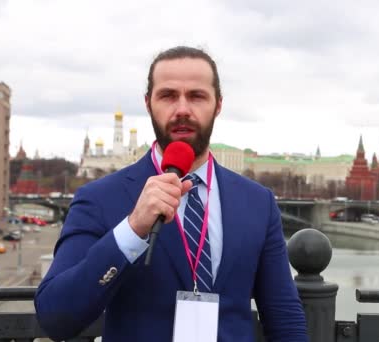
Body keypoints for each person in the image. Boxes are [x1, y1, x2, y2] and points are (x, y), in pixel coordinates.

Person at [35, 46, 308, 342]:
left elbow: (283, 316)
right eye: (167, 96)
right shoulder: (100, 198)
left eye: (196, 96)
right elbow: (55, 317)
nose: (182, 109)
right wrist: (132, 229)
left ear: (218, 105)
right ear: (148, 104)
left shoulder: (256, 202)